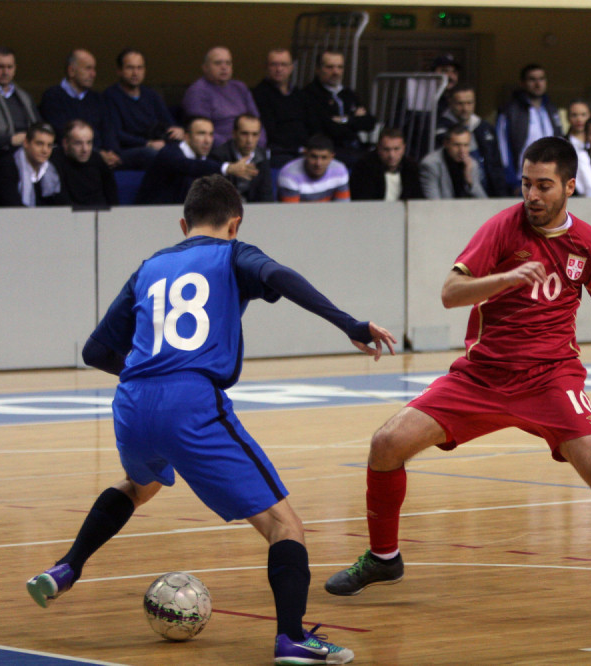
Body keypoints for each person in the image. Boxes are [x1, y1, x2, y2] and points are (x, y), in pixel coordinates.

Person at [323, 137, 591, 625]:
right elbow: (450, 293)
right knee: (386, 443)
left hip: (552, 379)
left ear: (570, 187)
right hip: (482, 378)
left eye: (544, 186)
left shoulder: (590, 245)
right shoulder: (502, 229)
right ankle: (384, 559)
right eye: (526, 183)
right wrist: (504, 280)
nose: (532, 195)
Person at [26, 173, 396, 664]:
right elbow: (281, 278)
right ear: (235, 224)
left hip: (131, 402)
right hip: (190, 401)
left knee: (140, 485)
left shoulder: (149, 266)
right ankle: (291, 638)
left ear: (184, 224)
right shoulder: (233, 253)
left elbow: (96, 350)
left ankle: (66, 567)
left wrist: (148, 374)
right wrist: (350, 323)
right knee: (285, 525)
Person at [136, 115, 256, 205]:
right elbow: (188, 166)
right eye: (201, 134)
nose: (207, 140)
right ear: (187, 136)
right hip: (151, 217)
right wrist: (227, 168)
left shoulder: (209, 158)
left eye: (211, 134)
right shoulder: (170, 153)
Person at [39, 49, 122, 168]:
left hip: (105, 157)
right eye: (88, 68)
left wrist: (112, 152)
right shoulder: (53, 97)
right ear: (71, 71)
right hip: (72, 159)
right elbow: (62, 133)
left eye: (94, 69)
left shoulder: (98, 98)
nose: (93, 74)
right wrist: (96, 154)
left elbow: (108, 129)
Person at [104, 48, 183, 170]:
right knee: (152, 154)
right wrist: (147, 144)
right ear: (119, 71)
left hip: (157, 144)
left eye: (139, 68)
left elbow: (169, 122)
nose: (135, 73)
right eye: (130, 68)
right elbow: (117, 133)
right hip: (128, 150)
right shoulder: (110, 96)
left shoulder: (151, 95)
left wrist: (178, 131)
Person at [300, 50, 375, 168]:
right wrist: (354, 120)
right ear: (318, 69)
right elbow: (327, 127)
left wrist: (345, 120)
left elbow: (370, 123)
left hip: (355, 148)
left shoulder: (348, 94)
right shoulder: (309, 94)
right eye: (329, 67)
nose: (336, 72)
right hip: (330, 151)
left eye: (340, 67)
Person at [496, 63, 564, 190]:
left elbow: (560, 142)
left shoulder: (551, 109)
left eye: (541, 79)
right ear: (522, 83)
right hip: (523, 180)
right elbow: (503, 149)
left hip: (551, 178)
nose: (538, 84)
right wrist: (512, 181)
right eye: (532, 79)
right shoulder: (510, 111)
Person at [183, 46, 266, 149]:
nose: (224, 67)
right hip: (220, 150)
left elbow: (256, 121)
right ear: (205, 67)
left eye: (228, 63)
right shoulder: (197, 91)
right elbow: (200, 132)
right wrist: (233, 148)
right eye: (218, 63)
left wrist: (258, 144)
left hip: (250, 147)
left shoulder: (240, 87)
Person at [436, 84, 505, 197]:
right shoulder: (439, 129)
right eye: (460, 103)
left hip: (487, 192)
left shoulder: (485, 127)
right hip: (456, 194)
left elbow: (496, 164)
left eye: (469, 103)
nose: (465, 108)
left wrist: (501, 193)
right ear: (450, 102)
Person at [0, 47, 41, 166]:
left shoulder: (25, 97)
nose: (5, 72)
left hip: (29, 152)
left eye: (9, 67)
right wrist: (10, 140)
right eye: (0, 67)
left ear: (15, 69)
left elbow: (39, 126)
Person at [0, 121, 69, 207]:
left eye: (49, 145)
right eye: (39, 144)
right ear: (26, 143)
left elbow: (61, 204)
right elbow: (12, 206)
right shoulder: (7, 167)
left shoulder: (51, 169)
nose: (45, 150)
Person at [252, 48, 311, 168]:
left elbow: (311, 124)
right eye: (274, 64)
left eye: (283, 64)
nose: (279, 69)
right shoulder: (259, 94)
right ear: (266, 67)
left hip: (305, 149)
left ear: (291, 67)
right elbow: (270, 131)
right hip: (279, 152)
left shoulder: (299, 94)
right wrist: (298, 149)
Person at [49, 119, 119, 207]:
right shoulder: (54, 162)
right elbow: (61, 202)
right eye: (78, 143)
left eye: (89, 143)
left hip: (99, 216)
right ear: (66, 143)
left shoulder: (97, 159)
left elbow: (112, 199)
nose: (85, 149)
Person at [210, 113, 274, 203]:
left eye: (254, 134)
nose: (249, 140)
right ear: (234, 133)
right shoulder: (219, 156)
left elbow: (267, 196)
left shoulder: (263, 156)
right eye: (244, 134)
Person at [349, 128, 423, 201]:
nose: (391, 155)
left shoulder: (411, 168)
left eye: (396, 149)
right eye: (386, 149)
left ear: (404, 148)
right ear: (378, 148)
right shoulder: (364, 167)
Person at [419, 124, 488, 199]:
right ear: (446, 144)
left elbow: (483, 201)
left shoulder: (471, 164)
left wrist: (470, 181)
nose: (462, 150)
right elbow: (433, 202)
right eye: (457, 145)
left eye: (466, 145)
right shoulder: (430, 164)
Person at [277, 133, 350, 203]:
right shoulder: (290, 174)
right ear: (305, 154)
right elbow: (290, 212)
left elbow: (343, 206)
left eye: (324, 158)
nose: (318, 163)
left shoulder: (340, 170)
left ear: (332, 157)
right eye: (314, 157)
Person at [430, 53, 460, 118]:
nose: (451, 76)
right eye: (445, 71)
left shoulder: (460, 98)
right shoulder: (421, 99)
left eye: (454, 72)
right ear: (432, 74)